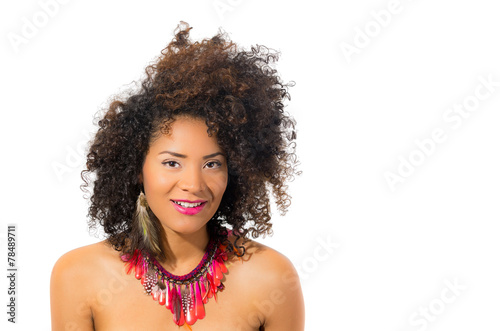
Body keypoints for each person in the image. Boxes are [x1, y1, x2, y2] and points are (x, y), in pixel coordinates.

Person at [50, 22, 304, 331]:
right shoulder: (79, 276)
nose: (194, 185)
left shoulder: (271, 278)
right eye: (172, 163)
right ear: (135, 167)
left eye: (212, 164)